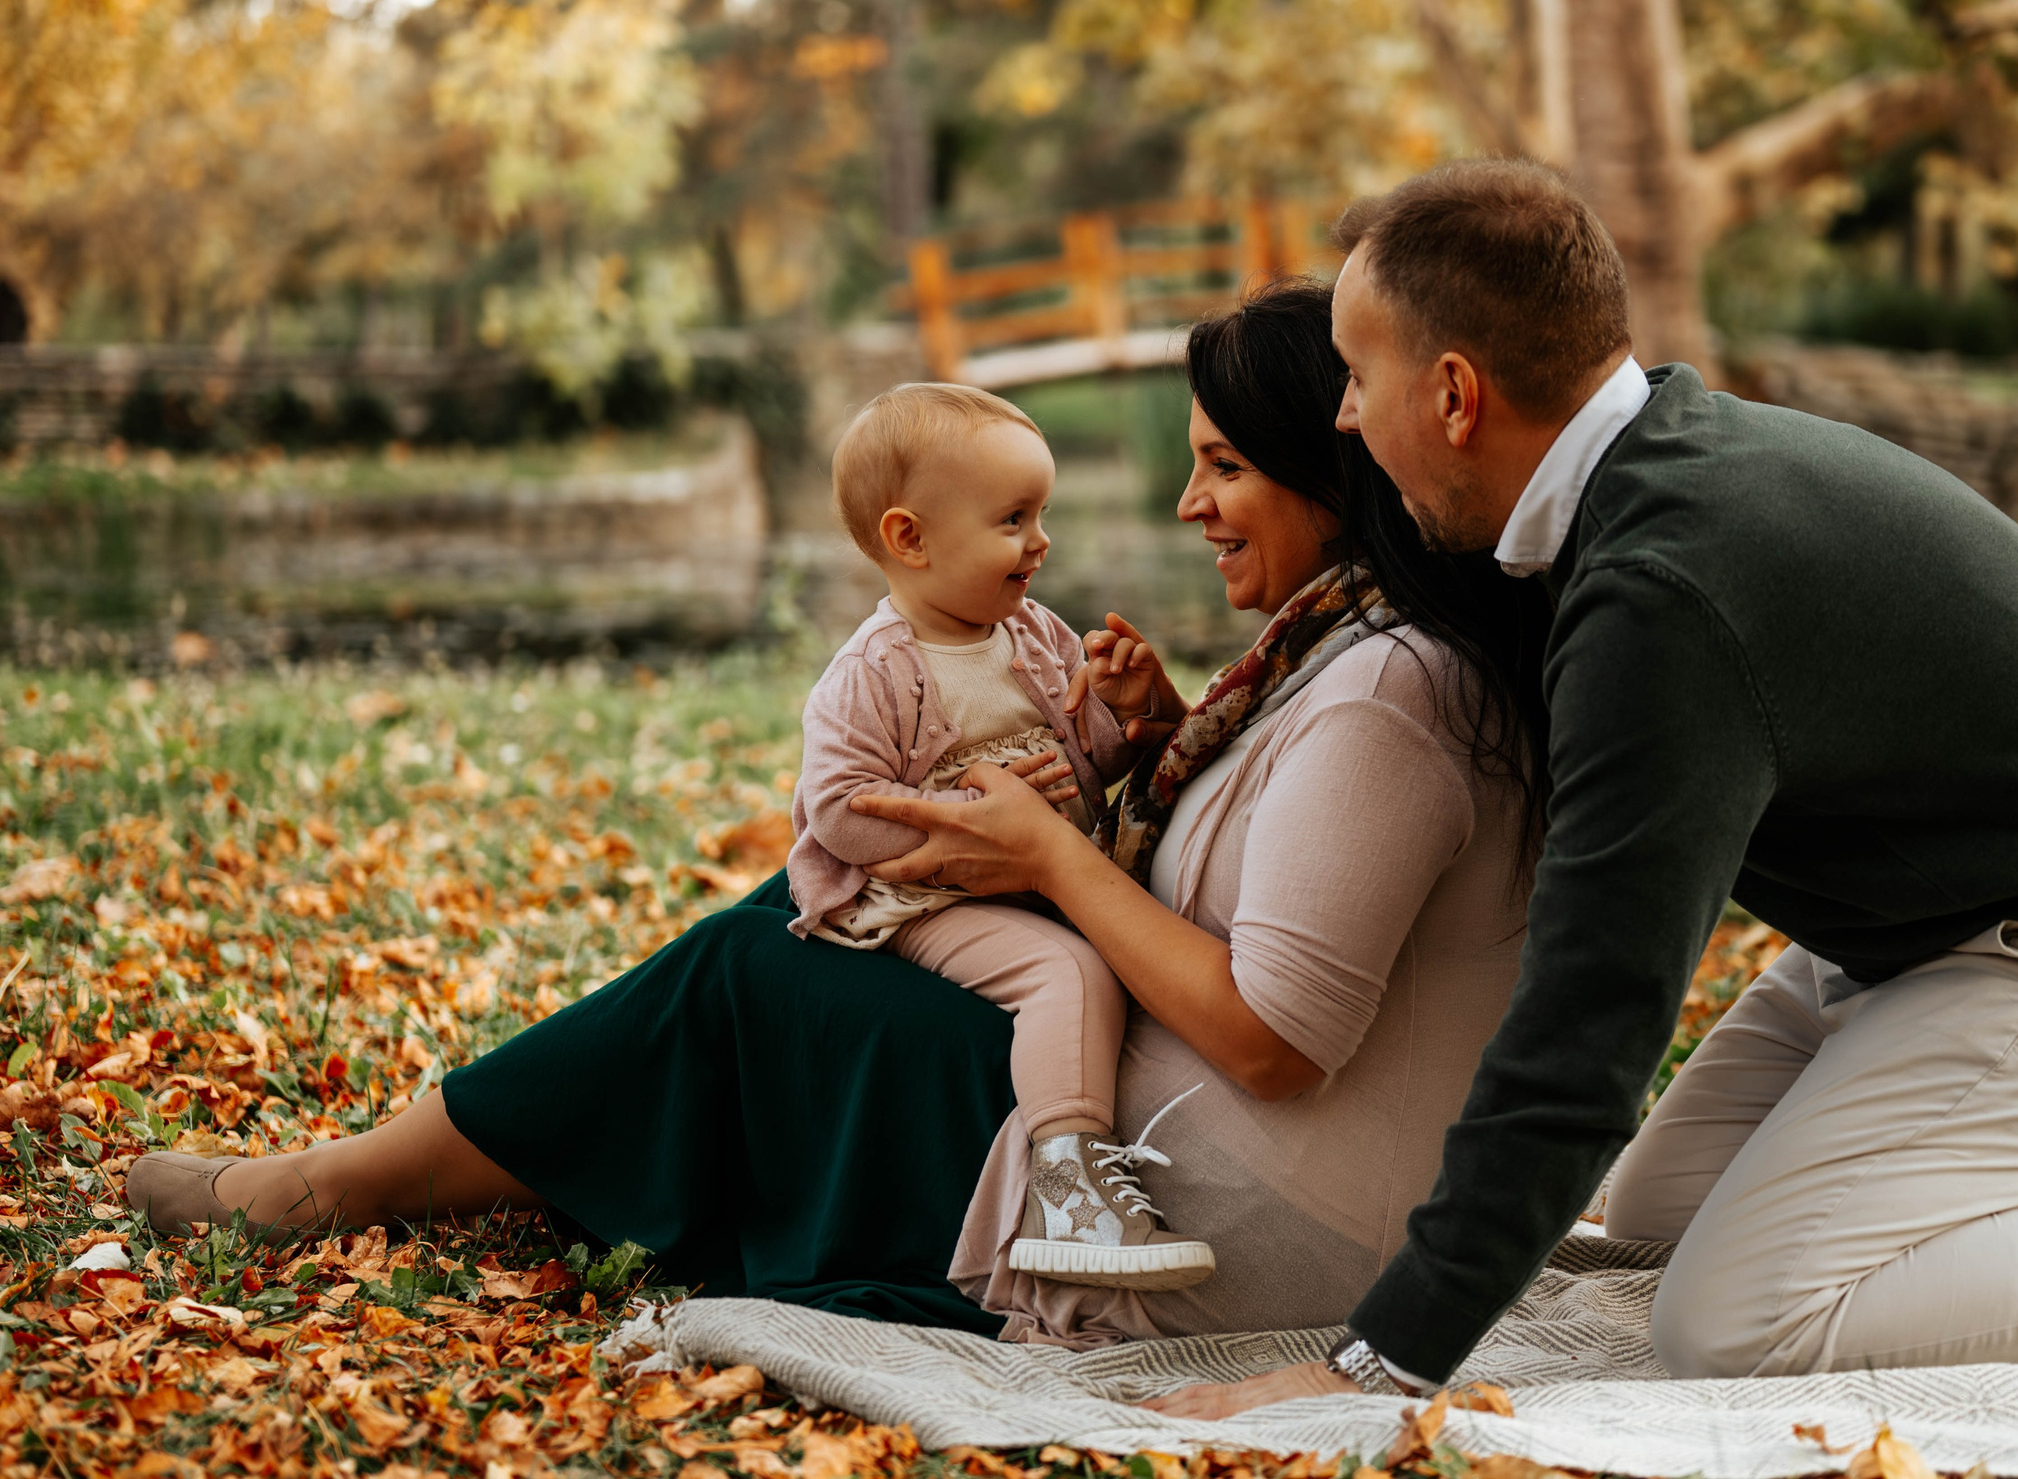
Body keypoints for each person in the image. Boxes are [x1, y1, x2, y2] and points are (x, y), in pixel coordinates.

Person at [1151, 161, 2018, 1419]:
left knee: (1735, 1316)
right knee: (1661, 1214)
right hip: (1930, 928)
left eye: (1355, 375)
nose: (1342, 415)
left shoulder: (1660, 593)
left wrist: (1373, 1362)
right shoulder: (1643, 469)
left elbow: (1591, 1021)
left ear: (1455, 395)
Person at [121, 282, 1555, 1351]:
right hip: (1174, 1112)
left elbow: (1273, 1041)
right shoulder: (1329, 652)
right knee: (800, 913)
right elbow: (1264, 876)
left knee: (747, 966)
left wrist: (1053, 853)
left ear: (1335, 475)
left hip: (1213, 1203)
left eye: (1226, 466)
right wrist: (1153, 733)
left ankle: (334, 1185)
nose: (1190, 503)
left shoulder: (1386, 691)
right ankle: (395, 1166)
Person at [784, 380, 1208, 1291]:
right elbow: (839, 811)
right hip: (926, 898)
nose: (1040, 540)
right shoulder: (871, 672)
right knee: (1068, 971)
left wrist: (1123, 715)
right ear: (910, 539)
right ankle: (1072, 1199)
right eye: (1013, 519)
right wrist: (968, 815)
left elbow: (1087, 768)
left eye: (1041, 514)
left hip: (1040, 874)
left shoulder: (1035, 635)